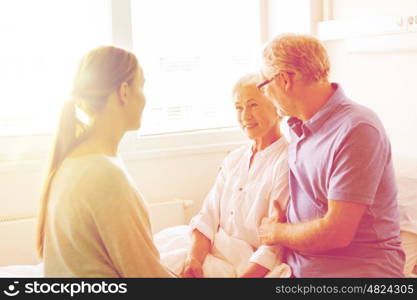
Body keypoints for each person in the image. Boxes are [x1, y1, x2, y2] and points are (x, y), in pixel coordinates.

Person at [257, 34, 406, 277]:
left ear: (284, 80)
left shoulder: (357, 129)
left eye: (264, 86)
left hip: (356, 272)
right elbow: (314, 201)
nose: (266, 95)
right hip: (298, 266)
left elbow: (336, 233)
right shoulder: (299, 127)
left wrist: (276, 232)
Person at [36, 46, 173, 277]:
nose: (145, 98)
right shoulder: (106, 175)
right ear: (124, 92)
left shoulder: (72, 161)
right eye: (142, 86)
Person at [155, 73, 290, 278]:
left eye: (253, 105)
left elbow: (274, 247)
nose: (245, 116)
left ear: (278, 109)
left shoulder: (287, 162)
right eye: (239, 107)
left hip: (246, 263)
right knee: (154, 254)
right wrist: (193, 259)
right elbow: (207, 217)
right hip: (210, 249)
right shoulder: (233, 160)